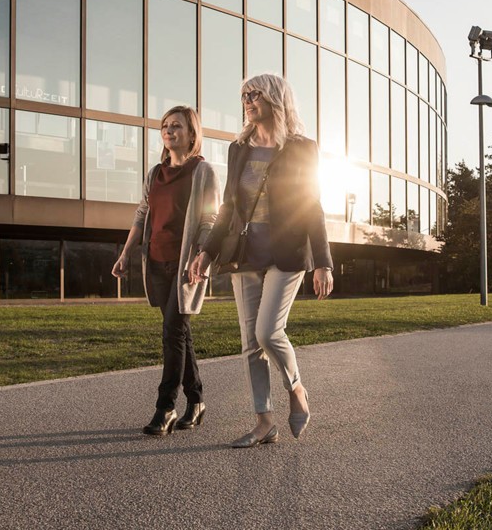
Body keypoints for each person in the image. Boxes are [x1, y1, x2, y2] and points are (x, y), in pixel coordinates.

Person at [189, 74, 333, 448]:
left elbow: (312, 205)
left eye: (255, 94)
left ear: (275, 98)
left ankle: (296, 387)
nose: (248, 101)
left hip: (287, 253)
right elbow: (228, 207)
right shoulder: (239, 148)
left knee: (268, 332)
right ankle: (264, 421)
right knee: (250, 342)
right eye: (243, 96)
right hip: (244, 253)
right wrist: (206, 250)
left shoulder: (302, 147)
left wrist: (323, 261)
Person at [112, 105, 219, 436]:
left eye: (177, 126)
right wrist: (126, 252)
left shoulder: (203, 172)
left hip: (185, 266)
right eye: (165, 126)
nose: (169, 131)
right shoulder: (155, 173)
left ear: (191, 134)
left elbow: (209, 219)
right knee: (180, 332)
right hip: (155, 263)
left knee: (172, 332)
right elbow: (142, 213)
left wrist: (199, 256)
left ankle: (166, 407)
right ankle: (197, 400)